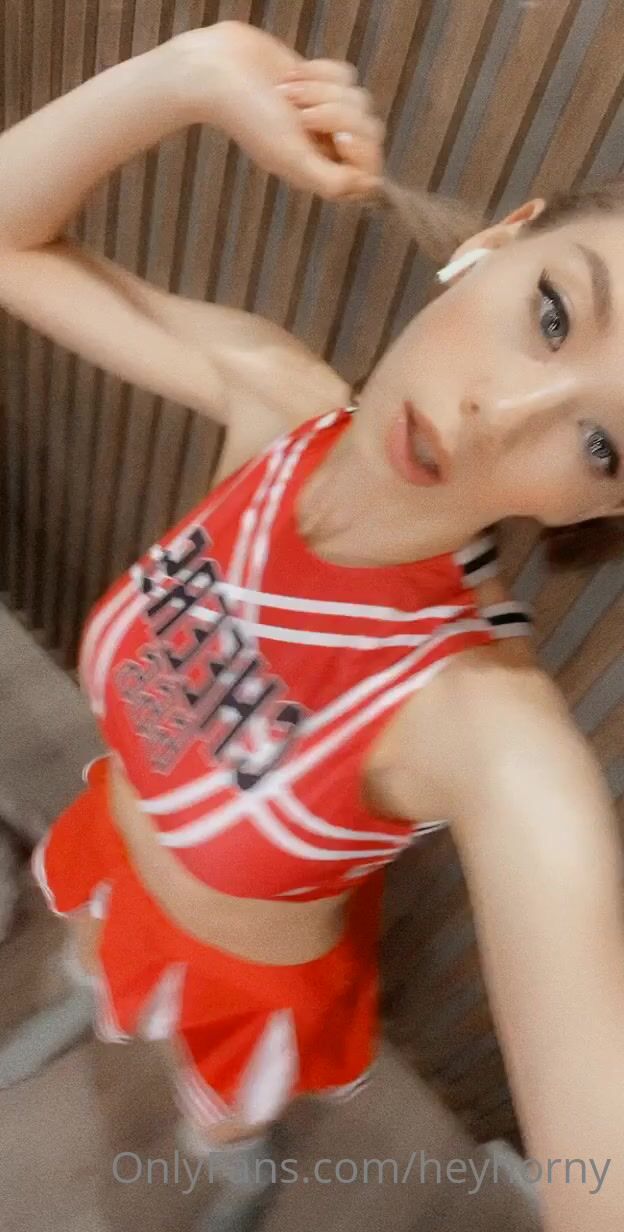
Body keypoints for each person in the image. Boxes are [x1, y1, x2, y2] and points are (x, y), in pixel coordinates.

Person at [0, 19, 623, 1232]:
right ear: (497, 241)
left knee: (218, 1118)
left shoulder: (485, 722)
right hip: (116, 836)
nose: (502, 414)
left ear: (605, 503)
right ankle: (81, 1007)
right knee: (95, 964)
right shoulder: (272, 396)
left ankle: (238, 1178)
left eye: (603, 443)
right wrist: (190, 68)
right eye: (554, 313)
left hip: (248, 980)